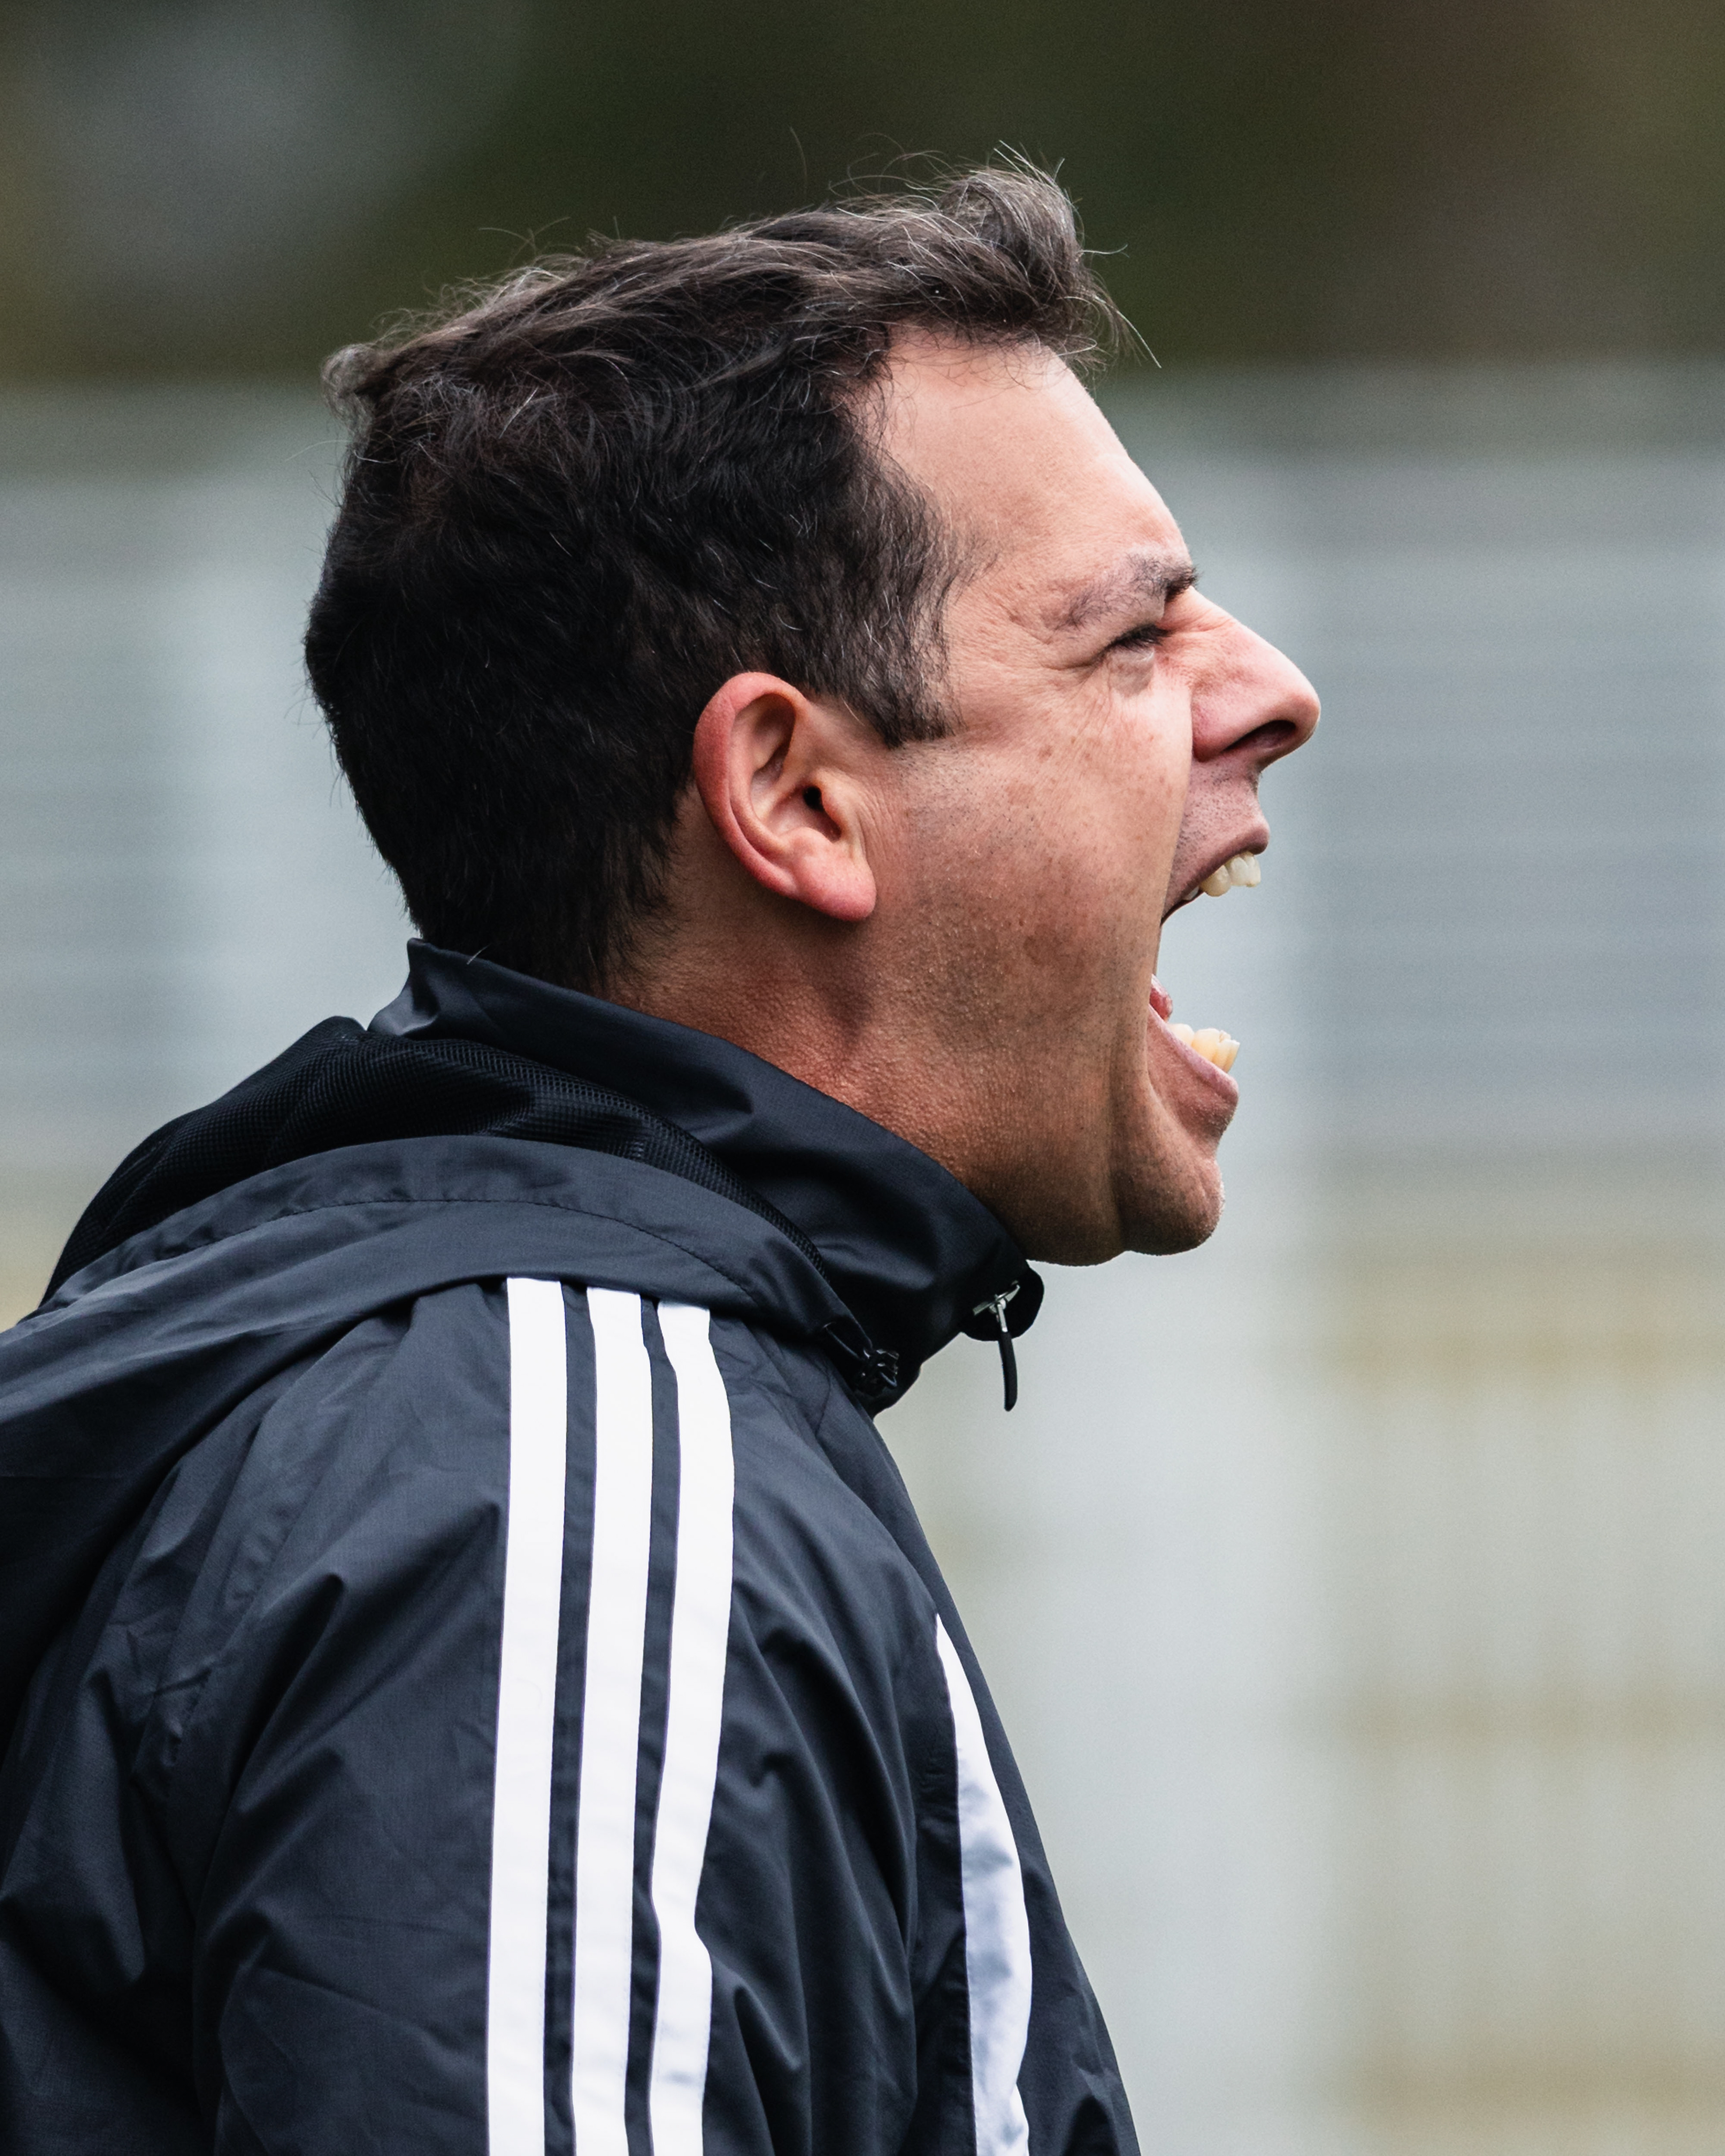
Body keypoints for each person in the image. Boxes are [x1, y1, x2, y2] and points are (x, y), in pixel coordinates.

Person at [0, 167, 1316, 2154]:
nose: (1269, 692)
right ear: (792, 796)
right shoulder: (545, 1491)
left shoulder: (467, 1399)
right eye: (1135, 638)